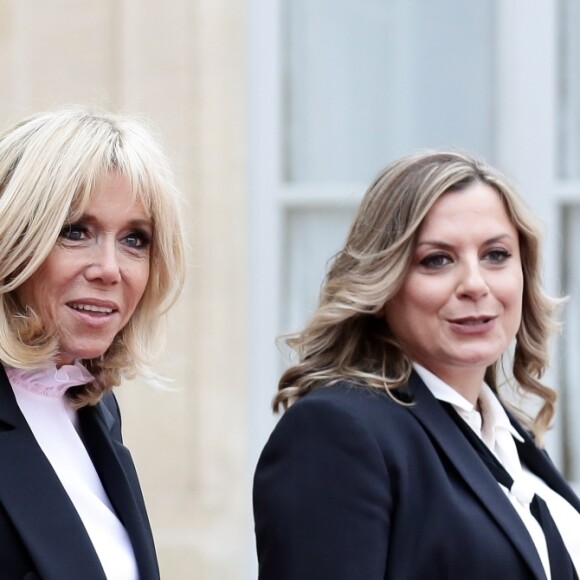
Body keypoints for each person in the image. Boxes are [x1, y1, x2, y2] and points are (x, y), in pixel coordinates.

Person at [253, 151, 580, 579]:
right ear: (382, 283)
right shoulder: (336, 431)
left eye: (496, 255)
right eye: (437, 260)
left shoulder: (508, 437)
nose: (475, 284)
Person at [0, 107, 185, 579]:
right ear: (13, 240)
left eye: (135, 240)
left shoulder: (94, 408)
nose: (110, 268)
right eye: (76, 232)